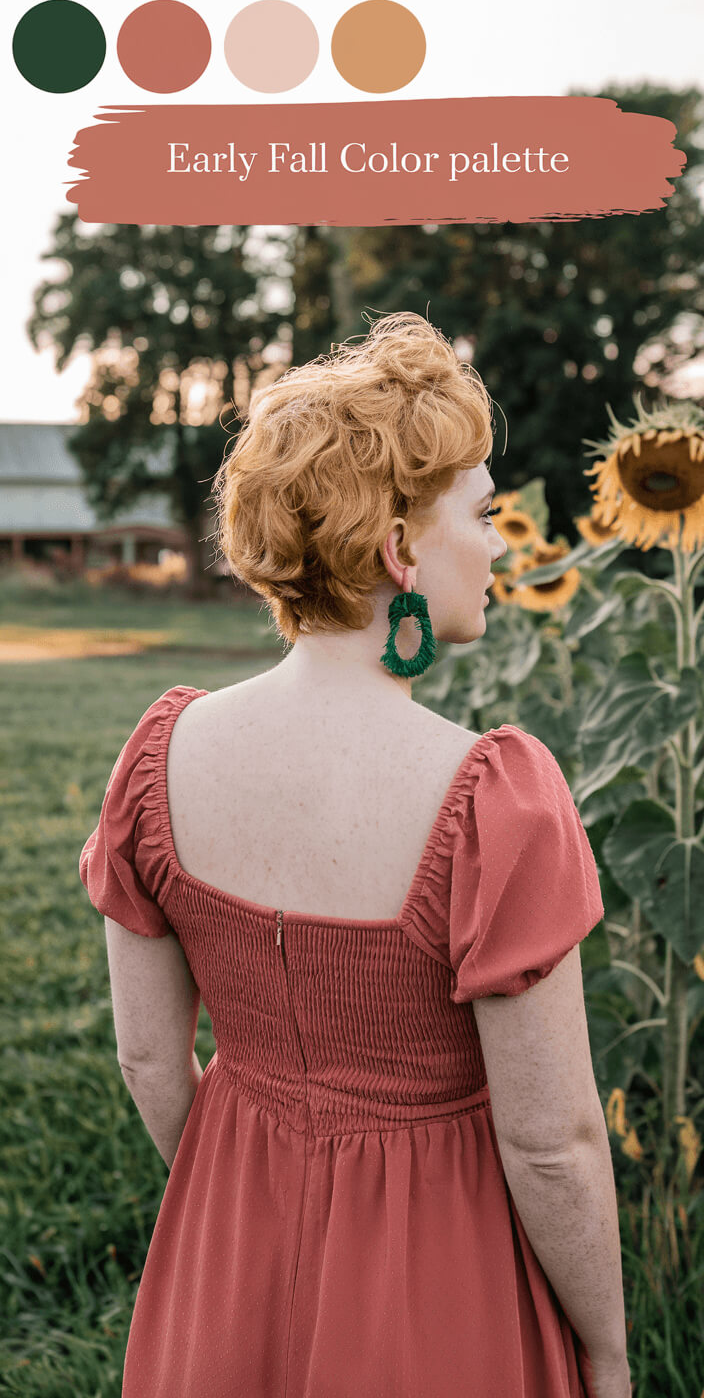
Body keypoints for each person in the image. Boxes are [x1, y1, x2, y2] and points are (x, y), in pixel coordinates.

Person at [79, 311, 632, 1398]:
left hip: (224, 1264)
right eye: (480, 513)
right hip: (442, 1287)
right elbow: (550, 1143)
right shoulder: (493, 798)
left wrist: (236, 1205)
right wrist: (607, 1351)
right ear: (398, 550)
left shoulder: (158, 756)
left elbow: (149, 1061)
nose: (500, 542)